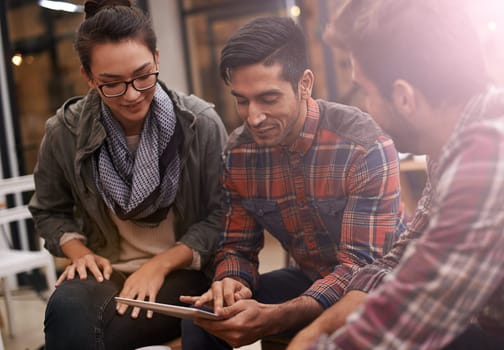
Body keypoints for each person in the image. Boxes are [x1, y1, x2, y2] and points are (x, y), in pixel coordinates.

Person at [288, 0, 504, 349]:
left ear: (404, 97)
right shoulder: (455, 141)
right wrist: (319, 327)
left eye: (365, 91)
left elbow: (416, 311)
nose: (364, 106)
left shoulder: (495, 148)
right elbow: (408, 253)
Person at [180, 16, 406, 349]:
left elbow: (360, 268)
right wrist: (231, 280)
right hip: (308, 278)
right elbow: (237, 246)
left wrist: (277, 316)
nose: (253, 117)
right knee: (205, 317)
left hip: (378, 289)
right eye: (242, 100)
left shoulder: (363, 146)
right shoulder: (239, 152)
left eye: (268, 99)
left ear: (304, 84)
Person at [28, 1, 227, 349]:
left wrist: (160, 265)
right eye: (112, 84)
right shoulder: (64, 131)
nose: (133, 94)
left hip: (185, 270)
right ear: (89, 78)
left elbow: (223, 215)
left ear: (157, 58)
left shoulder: (200, 124)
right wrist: (80, 254)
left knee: (94, 336)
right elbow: (48, 211)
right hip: (108, 267)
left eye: (143, 75)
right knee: (64, 313)